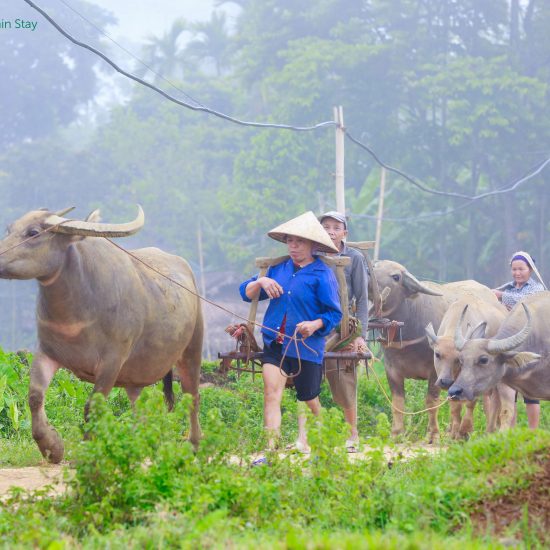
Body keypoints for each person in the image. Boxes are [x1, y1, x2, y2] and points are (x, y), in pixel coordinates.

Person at [239, 211, 342, 462]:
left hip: (306, 346)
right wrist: (262, 282)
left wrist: (315, 324)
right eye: (290, 242)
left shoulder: (322, 274)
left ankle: (326, 441)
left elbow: (333, 314)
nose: (293, 247)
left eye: (299, 242)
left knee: (309, 399)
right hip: (275, 343)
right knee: (271, 394)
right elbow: (245, 292)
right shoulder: (278, 270)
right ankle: (270, 453)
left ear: (312, 245)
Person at [311, 211, 369, 452]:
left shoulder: (354, 258)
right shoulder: (312, 255)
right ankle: (310, 435)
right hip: (314, 323)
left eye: (336, 227)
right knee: (304, 377)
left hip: (342, 327)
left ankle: (352, 434)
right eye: (326, 227)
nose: (331, 231)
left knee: (344, 378)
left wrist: (360, 336)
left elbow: (363, 300)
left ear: (344, 233)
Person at [493, 251, 546, 429]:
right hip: (508, 342)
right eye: (514, 269)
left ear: (530, 269)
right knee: (509, 390)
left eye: (521, 269)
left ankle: (533, 432)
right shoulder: (508, 287)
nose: (517, 273)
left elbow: (528, 301)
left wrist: (500, 296)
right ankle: (511, 432)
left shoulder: (536, 288)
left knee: (531, 392)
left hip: (531, 342)